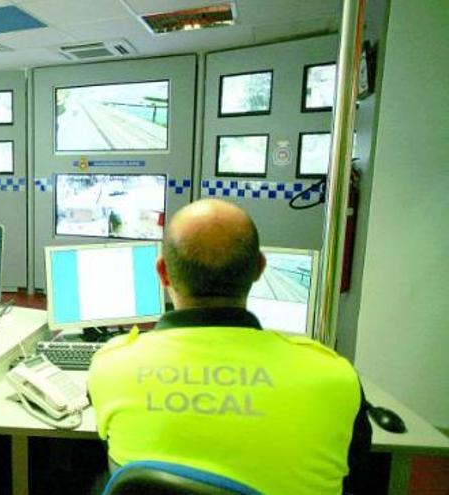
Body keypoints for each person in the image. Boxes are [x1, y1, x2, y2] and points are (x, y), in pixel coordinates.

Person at [88, 199, 371, 495]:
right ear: (260, 269)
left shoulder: (111, 365)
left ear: (163, 273)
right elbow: (357, 467)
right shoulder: (333, 376)